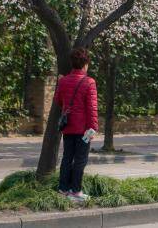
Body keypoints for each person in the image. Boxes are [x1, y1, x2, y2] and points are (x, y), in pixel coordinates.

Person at [54, 47, 98, 201]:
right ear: (85, 64)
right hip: (83, 129)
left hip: (68, 127)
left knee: (67, 158)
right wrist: (93, 128)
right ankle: (75, 191)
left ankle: (63, 189)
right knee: (80, 160)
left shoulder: (63, 80)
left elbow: (58, 101)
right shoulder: (89, 82)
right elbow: (92, 108)